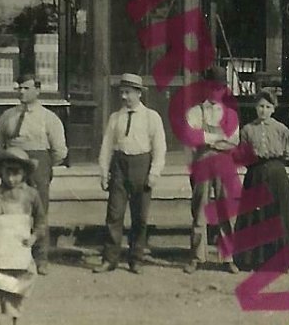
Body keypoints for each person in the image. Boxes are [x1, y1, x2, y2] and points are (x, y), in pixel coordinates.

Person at [0, 73, 68, 275]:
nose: (22, 92)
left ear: (37, 90)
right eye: (19, 88)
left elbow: (60, 151)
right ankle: (11, 256)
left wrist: (42, 167)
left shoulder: (48, 118)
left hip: (38, 165)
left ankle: (40, 258)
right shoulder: (8, 116)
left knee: (39, 210)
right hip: (12, 162)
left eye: (26, 88)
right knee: (10, 209)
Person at [94, 73, 167, 274]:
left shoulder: (151, 117)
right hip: (119, 166)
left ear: (138, 93)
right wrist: (103, 171)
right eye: (121, 93)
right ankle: (110, 259)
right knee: (114, 214)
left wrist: (154, 174)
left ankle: (136, 258)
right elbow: (107, 145)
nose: (124, 97)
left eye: (127, 93)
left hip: (141, 166)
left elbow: (159, 148)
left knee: (140, 217)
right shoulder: (115, 117)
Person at [233, 90, 289, 271]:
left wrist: (277, 158)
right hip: (256, 174)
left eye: (268, 107)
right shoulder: (247, 130)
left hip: (276, 174)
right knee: (256, 216)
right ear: (255, 108)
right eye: (260, 106)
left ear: (273, 109)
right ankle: (253, 259)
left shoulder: (281, 129)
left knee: (278, 214)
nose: (264, 111)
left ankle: (281, 259)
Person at [0, 148, 46, 325]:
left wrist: (34, 237)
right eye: (7, 173)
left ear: (24, 173)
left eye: (16, 173)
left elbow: (41, 220)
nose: (11, 178)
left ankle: (15, 321)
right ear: (1, 172)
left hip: (19, 252)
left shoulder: (31, 195)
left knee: (16, 288)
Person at [183, 66, 240, 275]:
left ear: (225, 90)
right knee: (199, 209)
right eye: (212, 87)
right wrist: (217, 139)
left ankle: (228, 257)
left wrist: (206, 140)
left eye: (220, 88)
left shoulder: (231, 114)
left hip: (225, 165)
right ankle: (197, 256)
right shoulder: (195, 111)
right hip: (202, 164)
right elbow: (191, 137)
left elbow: (233, 142)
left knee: (227, 209)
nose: (215, 92)